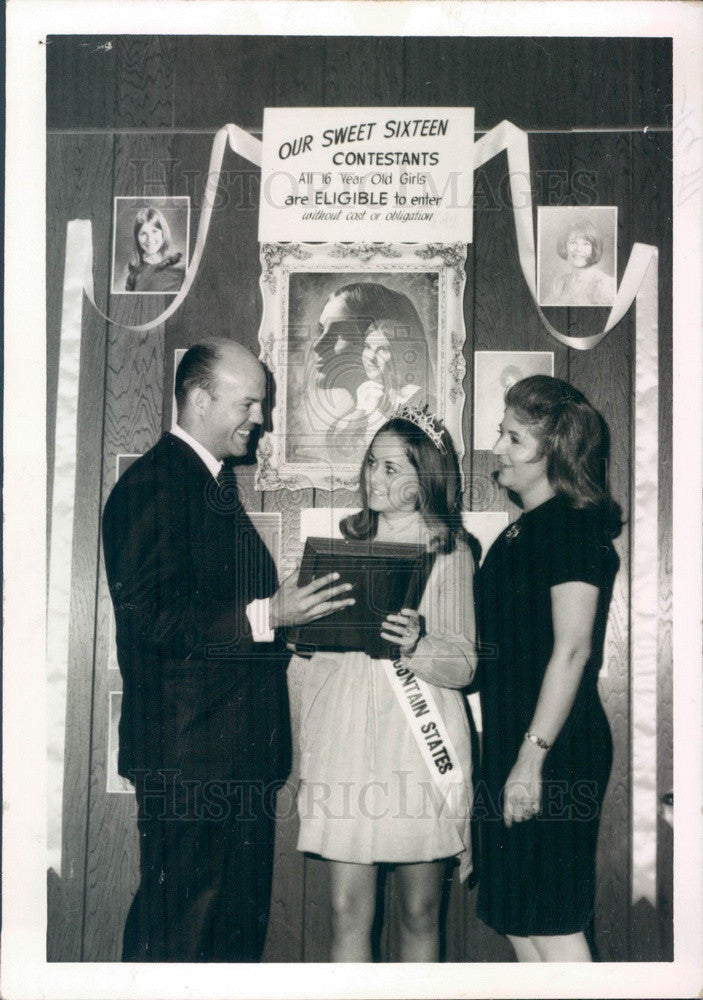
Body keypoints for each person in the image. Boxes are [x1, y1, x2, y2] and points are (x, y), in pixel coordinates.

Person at [102, 338, 355, 962]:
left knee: (229, 940)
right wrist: (270, 613)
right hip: (191, 763)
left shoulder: (206, 485)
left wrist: (291, 626)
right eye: (249, 403)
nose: (260, 419)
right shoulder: (154, 485)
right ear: (198, 397)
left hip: (230, 761)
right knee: (180, 940)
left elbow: (216, 624)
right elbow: (149, 625)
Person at [294, 407, 477, 962]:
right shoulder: (341, 545)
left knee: (419, 910)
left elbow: (466, 664)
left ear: (427, 478)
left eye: (394, 468)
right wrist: (303, 634)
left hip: (416, 742)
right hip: (346, 738)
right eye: (372, 463)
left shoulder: (450, 551)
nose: (376, 477)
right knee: (347, 910)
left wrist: (417, 644)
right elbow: (307, 654)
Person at [475, 374, 621, 962]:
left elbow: (572, 649)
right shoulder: (516, 533)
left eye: (514, 438)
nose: (497, 449)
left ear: (554, 450)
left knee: (554, 925)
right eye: (501, 434)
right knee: (517, 920)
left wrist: (531, 758)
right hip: (514, 740)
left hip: (552, 748)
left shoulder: (572, 524)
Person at [308, 282, 436, 460]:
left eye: (341, 332)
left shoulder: (424, 406)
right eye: (322, 329)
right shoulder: (352, 418)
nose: (317, 345)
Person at [547, 216, 615, 306]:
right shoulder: (560, 282)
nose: (579, 249)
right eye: (573, 242)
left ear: (593, 249)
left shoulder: (605, 285)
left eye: (586, 244)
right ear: (564, 246)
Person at [124, 205, 186, 293]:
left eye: (154, 231)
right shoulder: (133, 276)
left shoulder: (182, 268)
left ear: (163, 233)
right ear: (137, 238)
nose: (150, 239)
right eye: (143, 233)